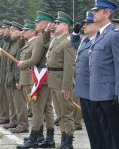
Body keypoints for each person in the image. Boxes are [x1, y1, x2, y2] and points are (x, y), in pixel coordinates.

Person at [90, 0, 119, 149]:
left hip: (110, 94)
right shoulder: (99, 35)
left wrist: (118, 92)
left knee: (118, 134)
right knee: (106, 133)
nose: (93, 12)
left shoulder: (115, 35)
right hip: (98, 93)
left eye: (97, 10)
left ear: (107, 14)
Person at [17, 11, 56, 148]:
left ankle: (35, 137)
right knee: (45, 108)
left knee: (37, 108)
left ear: (46, 24)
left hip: (39, 76)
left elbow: (35, 59)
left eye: (38, 22)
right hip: (44, 76)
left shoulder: (41, 38)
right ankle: (47, 138)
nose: (36, 24)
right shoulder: (47, 37)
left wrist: (23, 64)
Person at [71, 11, 105, 149]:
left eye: (88, 23)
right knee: (90, 127)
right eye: (84, 23)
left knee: (99, 127)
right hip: (84, 91)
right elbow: (74, 44)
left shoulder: (99, 40)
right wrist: (74, 33)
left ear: (97, 26)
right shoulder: (85, 41)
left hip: (94, 91)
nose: (84, 25)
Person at [46, 11, 76, 149]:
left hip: (62, 82)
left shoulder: (68, 42)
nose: (55, 26)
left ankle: (68, 142)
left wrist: (67, 86)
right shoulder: (56, 40)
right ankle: (63, 139)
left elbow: (70, 67)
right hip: (53, 81)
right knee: (59, 113)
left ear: (66, 25)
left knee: (66, 112)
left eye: (58, 24)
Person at [4, 21, 28, 132]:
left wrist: (18, 80)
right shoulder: (12, 43)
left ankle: (23, 124)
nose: (11, 32)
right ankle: (15, 121)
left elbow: (19, 63)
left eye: (13, 30)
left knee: (20, 103)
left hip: (17, 78)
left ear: (20, 32)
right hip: (11, 77)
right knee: (13, 103)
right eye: (11, 30)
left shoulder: (19, 44)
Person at [0, 20, 12, 125]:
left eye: (5, 28)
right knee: (0, 97)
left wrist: (1, 74)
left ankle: (5, 116)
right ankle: (2, 115)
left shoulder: (6, 42)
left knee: (5, 98)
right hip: (2, 74)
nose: (4, 30)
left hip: (6, 74)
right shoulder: (4, 42)